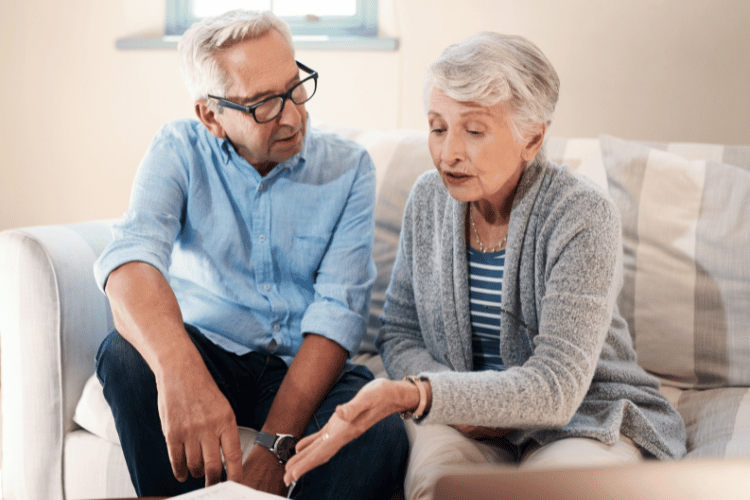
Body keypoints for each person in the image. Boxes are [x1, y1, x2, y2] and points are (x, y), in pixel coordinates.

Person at [283, 32, 687, 498]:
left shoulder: (582, 215)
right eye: (438, 127)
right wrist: (455, 404)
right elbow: (399, 330)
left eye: (473, 131)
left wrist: (422, 394)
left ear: (531, 138)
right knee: (440, 487)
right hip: (461, 419)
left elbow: (557, 386)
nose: (448, 152)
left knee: (555, 492)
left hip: (583, 415)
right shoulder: (428, 199)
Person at [93, 9, 407, 499]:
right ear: (211, 116)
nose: (292, 115)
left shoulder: (348, 169)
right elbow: (129, 261)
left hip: (302, 367)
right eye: (263, 104)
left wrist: (274, 448)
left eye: (295, 86)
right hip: (211, 350)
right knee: (124, 355)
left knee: (379, 433)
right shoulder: (178, 149)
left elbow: (337, 315)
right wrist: (181, 372)